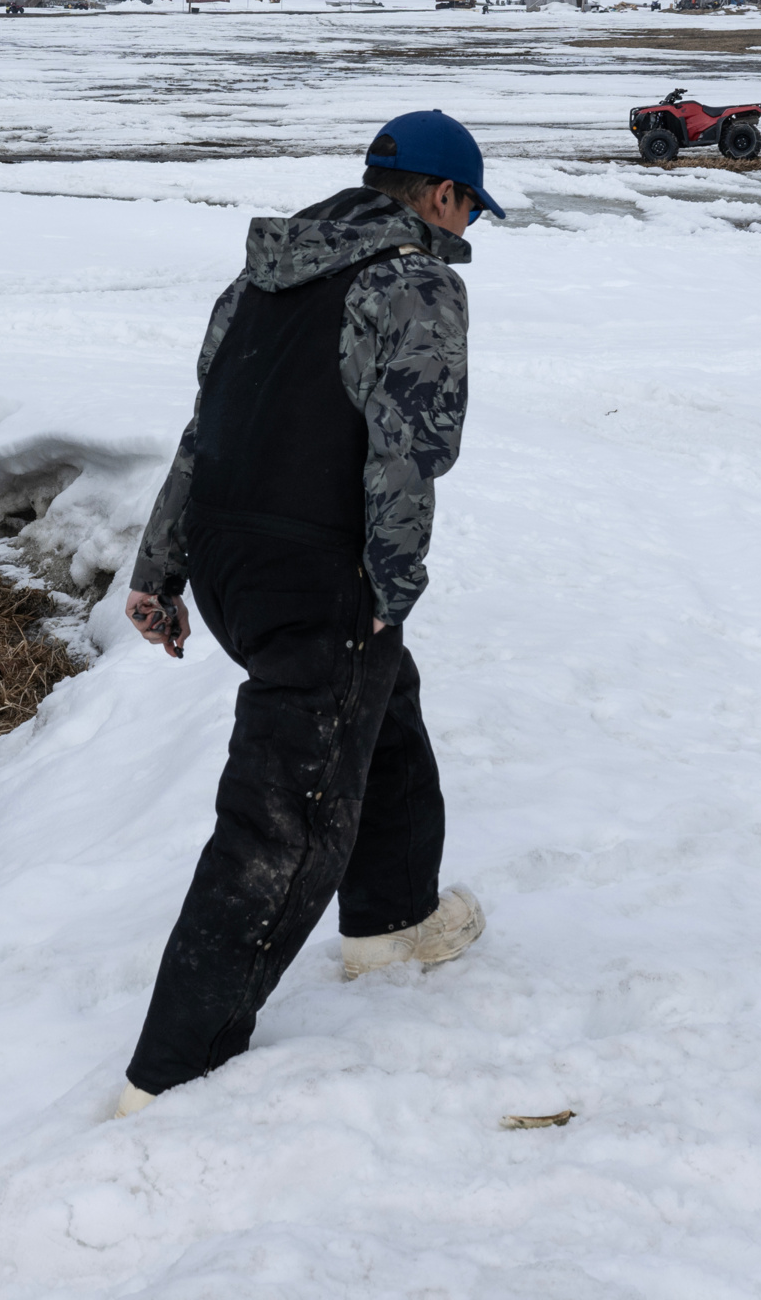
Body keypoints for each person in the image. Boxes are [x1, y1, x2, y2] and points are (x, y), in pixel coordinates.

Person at [114, 109, 495, 1116]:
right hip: (317, 573)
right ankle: (169, 1071)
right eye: (467, 215)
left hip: (237, 562)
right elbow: (411, 450)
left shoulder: (261, 276)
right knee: (283, 822)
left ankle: (394, 920)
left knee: (381, 716)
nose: (465, 236)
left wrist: (163, 566)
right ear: (441, 196)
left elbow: (206, 433)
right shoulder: (413, 280)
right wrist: (388, 588)